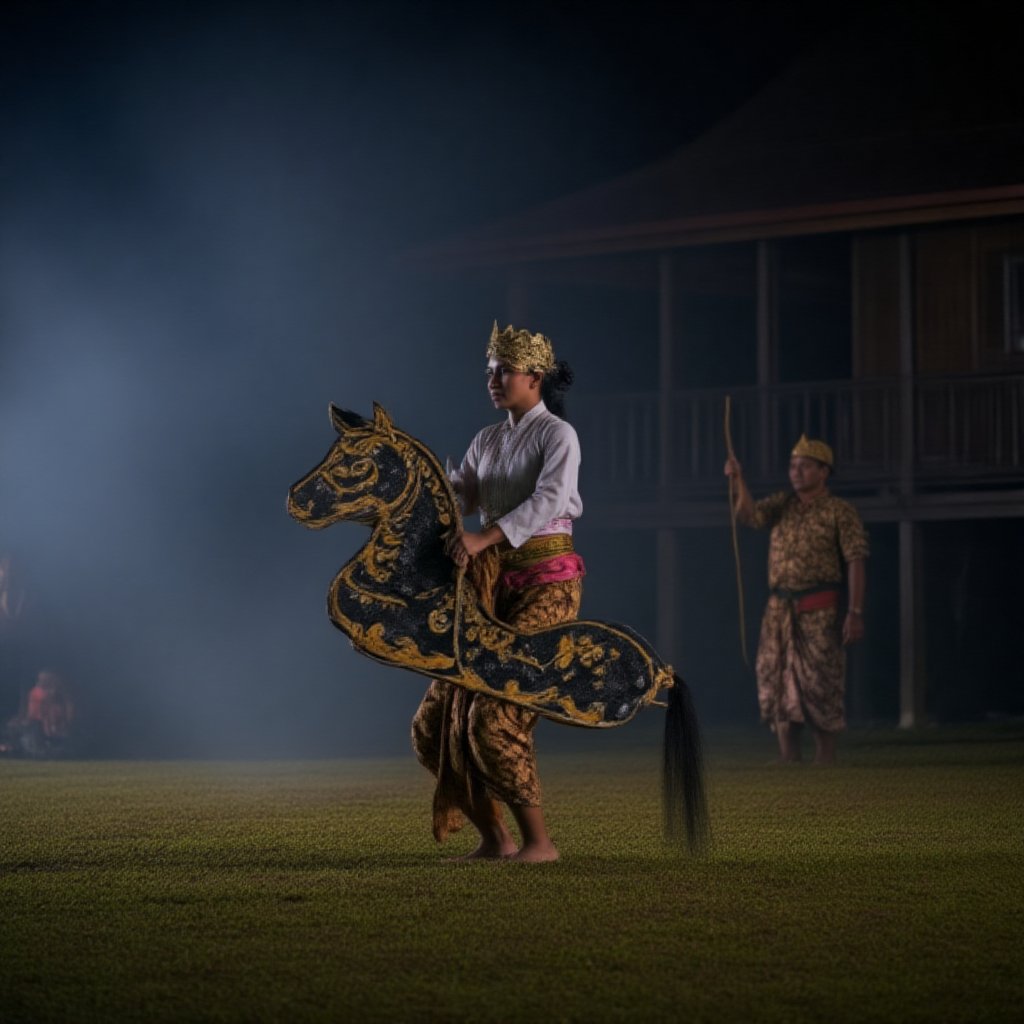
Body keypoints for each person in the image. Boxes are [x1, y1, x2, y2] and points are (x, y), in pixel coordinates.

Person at [411, 322, 582, 862]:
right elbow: (458, 496)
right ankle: (496, 838)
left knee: (493, 711)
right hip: (490, 588)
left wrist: (483, 536)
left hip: (547, 585)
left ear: (535, 377)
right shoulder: (487, 439)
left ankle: (540, 843)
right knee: (435, 720)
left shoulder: (558, 435)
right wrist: (418, 483)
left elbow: (549, 499)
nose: (493, 379)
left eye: (503, 370)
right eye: (489, 370)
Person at [724, 435, 868, 764]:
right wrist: (738, 479)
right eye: (792, 466)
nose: (796, 472)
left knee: (819, 678)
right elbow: (750, 516)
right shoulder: (782, 504)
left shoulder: (839, 511)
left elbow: (856, 558)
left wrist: (855, 611)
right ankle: (788, 756)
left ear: (823, 472)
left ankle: (825, 756)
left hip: (819, 607)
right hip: (778, 608)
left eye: (804, 466)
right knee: (775, 676)